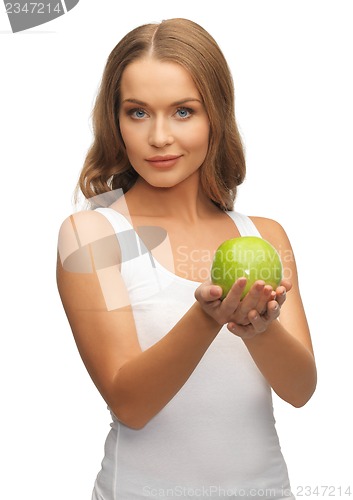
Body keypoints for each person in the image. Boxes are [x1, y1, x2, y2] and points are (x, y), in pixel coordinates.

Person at [56, 18, 317, 500]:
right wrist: (206, 318)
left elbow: (300, 390)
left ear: (215, 115)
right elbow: (131, 403)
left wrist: (261, 329)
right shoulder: (93, 235)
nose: (159, 137)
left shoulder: (264, 235)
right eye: (137, 113)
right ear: (114, 120)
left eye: (182, 111)